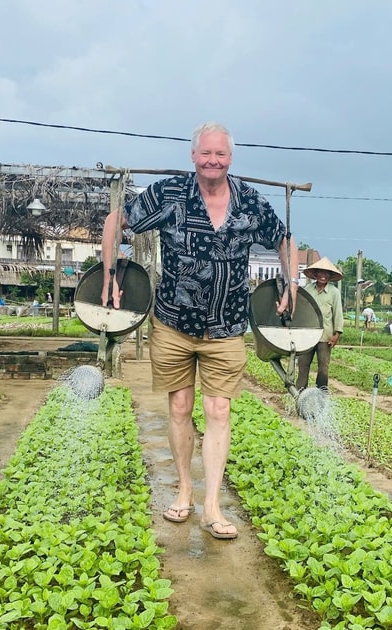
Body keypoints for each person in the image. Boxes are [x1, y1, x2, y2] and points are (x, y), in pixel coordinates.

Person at [101, 121, 296, 541]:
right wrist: (109, 272)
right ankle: (184, 490)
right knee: (179, 408)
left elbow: (284, 238)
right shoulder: (170, 194)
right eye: (206, 153)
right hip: (173, 322)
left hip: (226, 325)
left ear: (231, 158)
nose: (213, 161)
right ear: (193, 156)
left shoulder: (249, 201)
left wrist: (290, 283)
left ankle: (212, 505)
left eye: (221, 154)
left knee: (219, 411)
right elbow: (117, 220)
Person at [295, 257, 343, 392]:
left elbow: (338, 313)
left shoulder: (334, 292)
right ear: (315, 274)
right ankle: (300, 391)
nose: (323, 276)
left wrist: (337, 334)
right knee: (303, 364)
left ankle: (321, 391)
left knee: (323, 366)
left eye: (326, 273)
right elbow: (300, 309)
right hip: (307, 334)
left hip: (325, 336)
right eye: (320, 273)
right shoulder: (307, 289)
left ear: (330, 276)